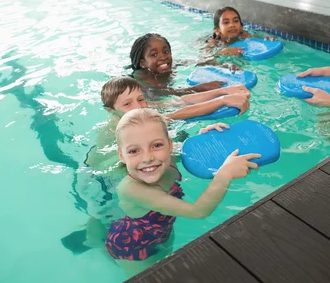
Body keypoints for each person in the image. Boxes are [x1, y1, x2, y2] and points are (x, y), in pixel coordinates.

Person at [105, 108, 260, 277]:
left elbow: (195, 153)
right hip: (132, 244)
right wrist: (225, 174)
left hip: (161, 230)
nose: (147, 158)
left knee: (166, 265)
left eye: (156, 145)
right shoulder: (132, 189)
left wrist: (207, 140)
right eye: (134, 151)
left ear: (169, 145)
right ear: (121, 156)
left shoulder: (169, 157)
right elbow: (198, 211)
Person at [130, 33, 239, 96]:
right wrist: (198, 88)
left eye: (166, 52)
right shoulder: (141, 78)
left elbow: (200, 62)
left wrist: (224, 65)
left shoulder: (173, 64)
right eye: (154, 55)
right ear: (143, 63)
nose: (163, 57)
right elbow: (158, 93)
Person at [207, 6, 275, 57]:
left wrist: (266, 43)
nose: (232, 25)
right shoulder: (212, 43)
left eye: (236, 21)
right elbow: (201, 61)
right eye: (226, 22)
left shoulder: (245, 36)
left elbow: (260, 47)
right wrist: (222, 52)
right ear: (217, 30)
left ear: (241, 26)